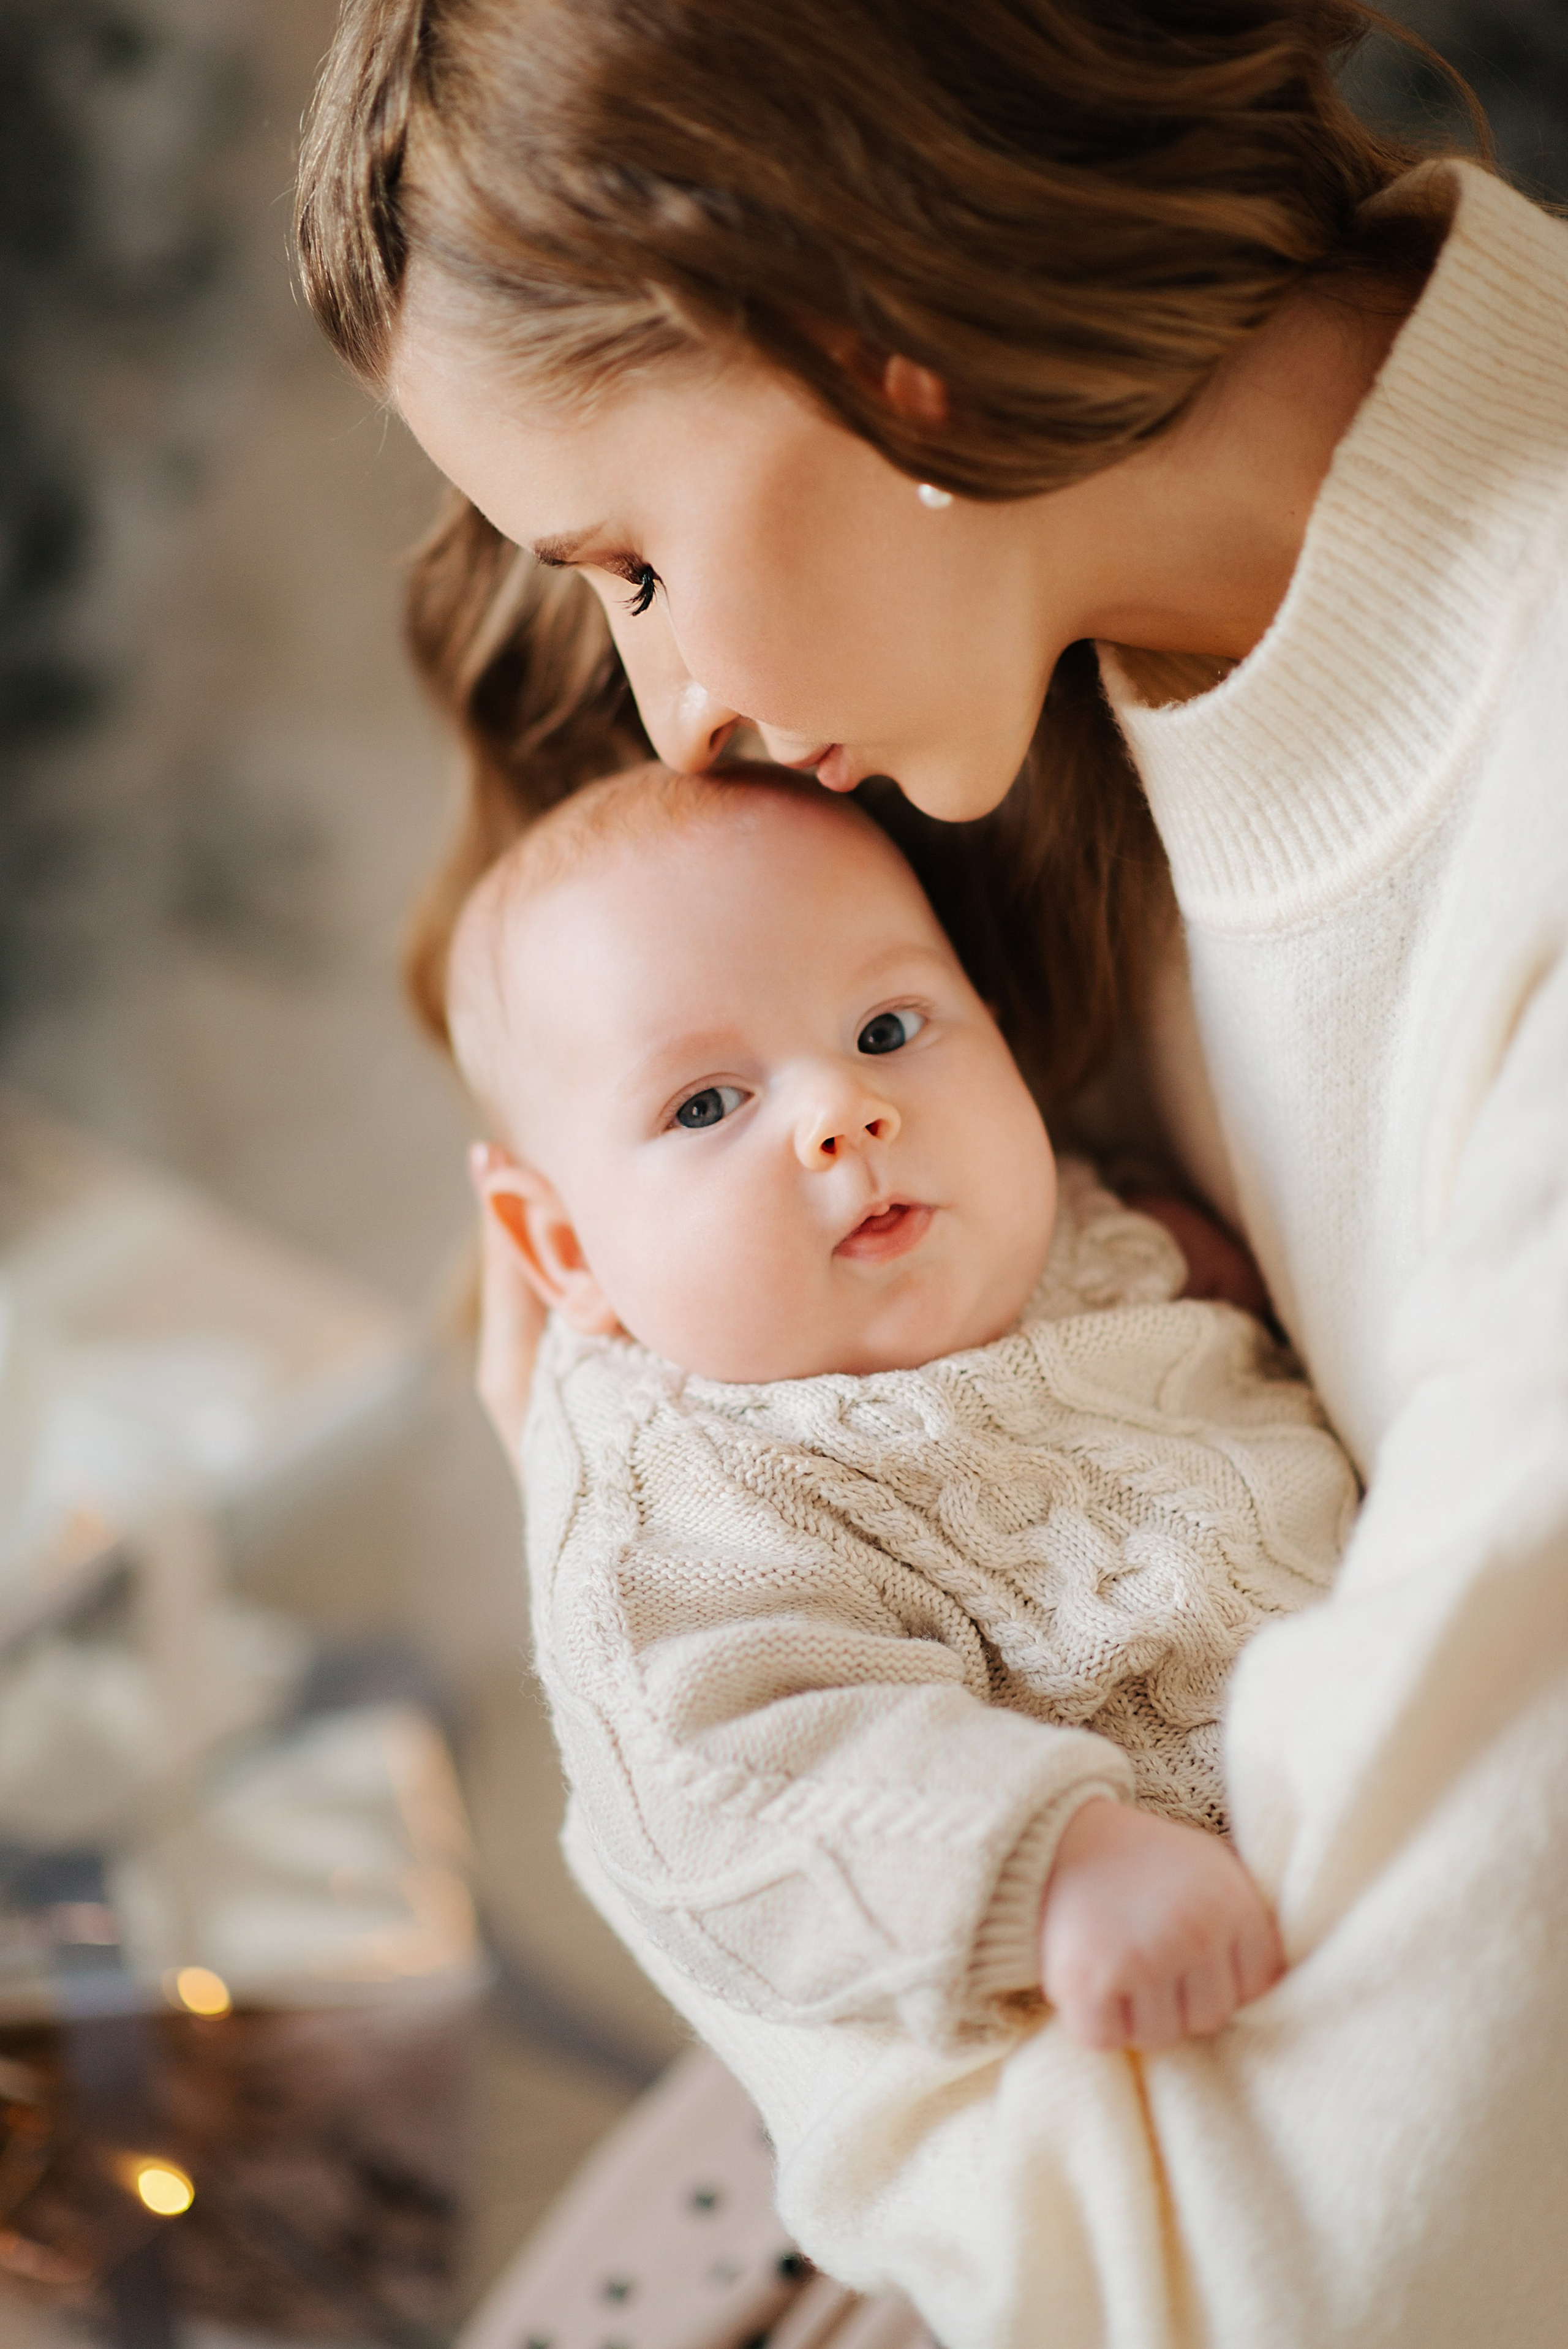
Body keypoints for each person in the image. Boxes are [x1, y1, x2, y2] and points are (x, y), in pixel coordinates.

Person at [296, 3, 1568, 2342]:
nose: (675, 713)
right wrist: (660, 1579)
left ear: (865, 330)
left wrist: (702, 1812)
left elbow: (1305, 2272)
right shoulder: (1025, 739)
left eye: (633, 562)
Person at [447, 758, 1356, 2056]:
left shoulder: (1058, 1215)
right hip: (1190, 1956)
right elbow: (724, 1779)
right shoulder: (675, 1501)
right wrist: (1056, 1866)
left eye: (884, 1031)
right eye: (705, 1104)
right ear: (563, 1247)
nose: (842, 1110)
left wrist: (1186, 1260)